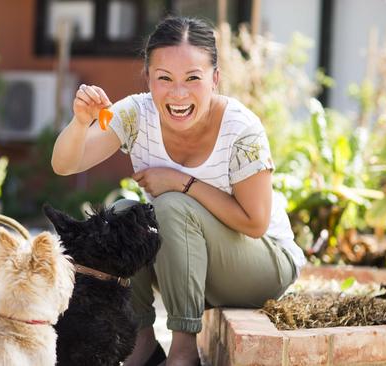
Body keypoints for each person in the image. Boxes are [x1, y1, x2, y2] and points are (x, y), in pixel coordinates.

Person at [51, 16, 306, 366]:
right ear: (148, 77)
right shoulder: (135, 114)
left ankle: (184, 351)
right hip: (187, 260)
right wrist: (81, 123)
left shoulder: (240, 128)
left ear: (215, 79)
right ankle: (141, 344)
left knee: (170, 206)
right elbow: (66, 164)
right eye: (164, 78)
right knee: (126, 216)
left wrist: (181, 183)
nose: (178, 93)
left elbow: (255, 223)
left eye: (193, 78)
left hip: (261, 264)